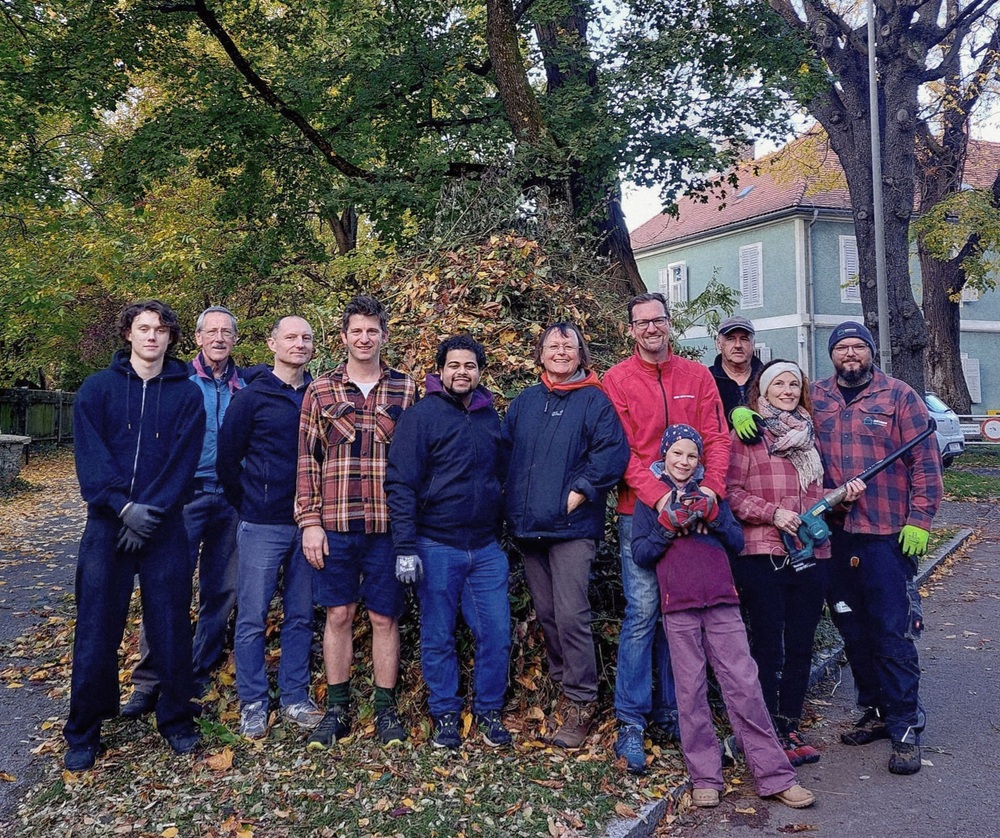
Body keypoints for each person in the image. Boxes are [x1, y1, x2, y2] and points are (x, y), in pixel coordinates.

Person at [631, 425, 815, 810]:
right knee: (690, 691)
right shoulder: (651, 500)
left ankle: (774, 775)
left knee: (744, 684)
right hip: (678, 606)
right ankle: (705, 776)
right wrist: (666, 526)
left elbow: (735, 539)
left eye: (691, 456)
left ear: (699, 460)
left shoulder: (711, 493)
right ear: (664, 455)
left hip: (721, 601)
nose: (684, 462)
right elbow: (641, 554)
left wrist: (713, 514)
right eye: (677, 454)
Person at [65, 300, 205, 771]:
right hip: (108, 525)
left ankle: (176, 719)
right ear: (128, 333)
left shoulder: (188, 395)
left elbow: (183, 462)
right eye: (143, 328)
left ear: (171, 338)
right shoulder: (97, 389)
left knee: (170, 626)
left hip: (164, 526)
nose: (151, 336)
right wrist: (123, 508)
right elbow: (90, 455)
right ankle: (84, 730)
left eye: (161, 330)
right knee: (96, 628)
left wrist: (150, 512)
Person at [603, 292, 730, 774]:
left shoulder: (696, 376)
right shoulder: (617, 380)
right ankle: (631, 722)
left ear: (669, 323)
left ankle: (675, 711)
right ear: (631, 330)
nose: (651, 329)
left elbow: (716, 437)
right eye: (642, 323)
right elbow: (622, 450)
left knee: (681, 612)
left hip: (697, 512)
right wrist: (660, 498)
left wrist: (710, 492)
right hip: (639, 511)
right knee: (642, 614)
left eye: (658, 320)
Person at [811, 321, 942, 775]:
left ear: (870, 352)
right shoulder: (816, 397)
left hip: (886, 534)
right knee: (853, 629)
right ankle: (875, 710)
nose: (850, 354)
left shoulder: (899, 396)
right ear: (832, 354)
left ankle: (905, 726)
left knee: (891, 630)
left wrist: (920, 520)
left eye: (858, 347)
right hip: (836, 534)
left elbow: (926, 464)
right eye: (842, 348)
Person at [726, 360, 865, 766]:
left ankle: (789, 725)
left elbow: (818, 497)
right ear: (764, 390)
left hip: (812, 554)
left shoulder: (810, 437)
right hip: (764, 554)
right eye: (779, 384)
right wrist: (773, 513)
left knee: (801, 644)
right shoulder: (748, 435)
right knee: (769, 646)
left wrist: (844, 498)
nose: (787, 390)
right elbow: (730, 492)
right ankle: (765, 727)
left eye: (793, 384)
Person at [296, 295, 417, 749]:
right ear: (344, 337)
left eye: (372, 331)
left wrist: (412, 526)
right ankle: (337, 709)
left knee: (385, 617)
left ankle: (386, 710)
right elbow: (307, 460)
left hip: (388, 526)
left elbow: (417, 460)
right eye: (357, 331)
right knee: (339, 614)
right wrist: (310, 522)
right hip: (336, 524)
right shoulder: (320, 390)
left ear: (384, 336)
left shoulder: (406, 389)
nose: (364, 339)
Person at [502, 323, 629, 748]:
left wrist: (582, 490)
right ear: (540, 354)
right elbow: (504, 455)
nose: (560, 352)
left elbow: (612, 453)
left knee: (572, 613)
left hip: (572, 528)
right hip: (530, 527)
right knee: (548, 612)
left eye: (568, 346)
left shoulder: (594, 400)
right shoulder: (525, 401)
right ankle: (561, 685)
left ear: (580, 354)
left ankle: (581, 700)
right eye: (552, 346)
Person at [385, 335, 512, 750]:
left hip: (485, 548)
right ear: (440, 370)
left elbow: (501, 475)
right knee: (438, 634)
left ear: (479, 372)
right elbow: (401, 484)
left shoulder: (490, 417)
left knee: (496, 632)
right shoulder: (420, 417)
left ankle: (489, 711)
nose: (462, 372)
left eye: (470, 366)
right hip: (435, 545)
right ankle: (444, 715)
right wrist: (405, 548)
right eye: (454, 365)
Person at [123, 306, 245, 717]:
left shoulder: (245, 385)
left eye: (226, 332)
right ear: (197, 338)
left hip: (230, 500)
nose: (219, 338)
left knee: (222, 590)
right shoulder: (177, 381)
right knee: (165, 586)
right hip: (183, 499)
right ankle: (149, 680)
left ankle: (195, 671)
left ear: (235, 340)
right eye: (211, 331)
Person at [217, 315, 324, 740]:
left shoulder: (321, 394)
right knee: (252, 616)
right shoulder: (251, 398)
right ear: (272, 344)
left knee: (300, 614)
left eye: (306, 338)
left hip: (310, 524)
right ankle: (254, 703)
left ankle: (295, 696)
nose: (299, 344)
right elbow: (227, 460)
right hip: (262, 523)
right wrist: (248, 503)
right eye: (291, 337)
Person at [708, 315, 763, 429]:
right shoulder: (707, 380)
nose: (738, 345)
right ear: (719, 343)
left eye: (744, 339)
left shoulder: (768, 379)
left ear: (753, 344)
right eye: (730, 339)